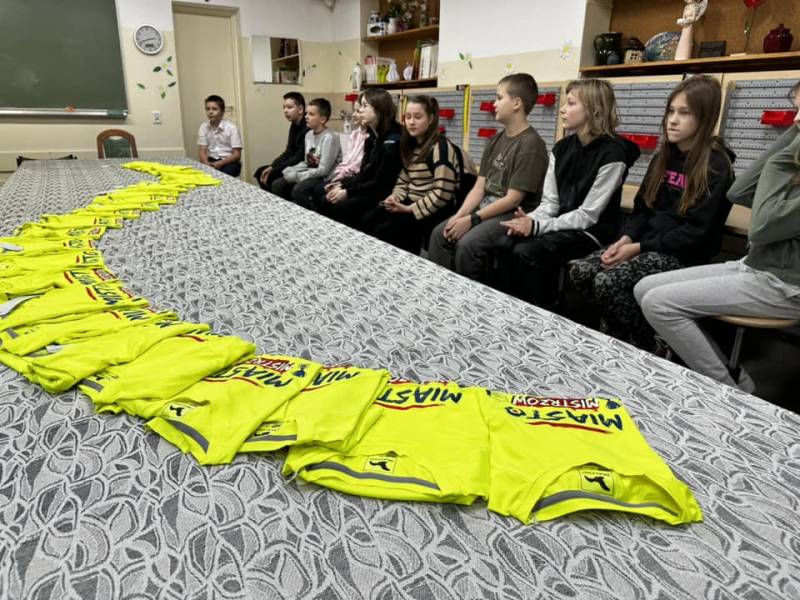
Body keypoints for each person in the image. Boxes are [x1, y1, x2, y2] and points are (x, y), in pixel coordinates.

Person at [635, 81, 800, 393]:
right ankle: (729, 376)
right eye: (796, 112)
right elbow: (740, 191)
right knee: (644, 288)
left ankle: (730, 391)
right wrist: (792, 134)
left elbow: (761, 227)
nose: (796, 120)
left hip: (787, 285)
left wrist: (787, 153)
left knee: (659, 304)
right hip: (758, 266)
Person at [569, 76, 734, 350]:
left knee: (607, 282)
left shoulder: (717, 166)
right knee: (582, 271)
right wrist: (625, 239)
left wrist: (637, 248)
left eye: (684, 113)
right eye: (671, 111)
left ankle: (653, 345)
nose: (673, 120)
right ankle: (620, 335)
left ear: (704, 118)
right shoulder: (663, 157)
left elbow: (696, 233)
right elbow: (642, 209)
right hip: (643, 244)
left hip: (681, 255)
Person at [491, 79, 640, 308]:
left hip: (590, 232)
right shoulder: (562, 148)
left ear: (594, 110)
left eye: (570, 103)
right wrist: (528, 220)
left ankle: (547, 311)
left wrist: (537, 227)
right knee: (503, 244)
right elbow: (550, 203)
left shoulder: (613, 154)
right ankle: (513, 308)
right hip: (560, 224)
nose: (562, 109)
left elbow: (587, 215)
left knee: (528, 252)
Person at [427, 73, 548, 283]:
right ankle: (442, 291)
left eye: (499, 98)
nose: (494, 104)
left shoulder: (531, 144)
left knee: (468, 245)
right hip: (486, 208)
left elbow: (513, 200)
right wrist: (459, 216)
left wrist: (472, 219)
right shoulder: (494, 140)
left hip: (511, 214)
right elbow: (479, 187)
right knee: (440, 233)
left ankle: (469, 299)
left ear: (517, 103)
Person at [363, 95, 462, 254]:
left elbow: (443, 192)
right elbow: (404, 180)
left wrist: (410, 209)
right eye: (408, 117)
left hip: (433, 209)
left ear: (431, 119)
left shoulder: (441, 147)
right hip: (410, 204)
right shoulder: (411, 145)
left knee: (385, 231)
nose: (411, 122)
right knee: (368, 219)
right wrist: (395, 197)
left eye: (418, 117)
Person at [323, 89, 403, 230]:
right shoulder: (373, 136)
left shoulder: (392, 140)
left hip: (386, 192)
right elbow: (365, 172)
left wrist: (347, 192)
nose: (360, 110)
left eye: (365, 105)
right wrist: (343, 185)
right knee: (328, 196)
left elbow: (380, 183)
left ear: (379, 109)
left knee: (341, 207)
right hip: (373, 187)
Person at [305, 95, 371, 212]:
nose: (354, 114)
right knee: (318, 191)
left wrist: (338, 178)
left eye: (358, 111)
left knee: (313, 191)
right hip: (341, 175)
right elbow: (346, 160)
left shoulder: (330, 137)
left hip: (350, 177)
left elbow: (357, 165)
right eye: (354, 111)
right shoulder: (355, 134)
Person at [271, 98, 341, 204]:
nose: (306, 117)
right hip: (312, 172)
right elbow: (308, 162)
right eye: (306, 113)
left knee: (299, 189)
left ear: (322, 119)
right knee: (278, 184)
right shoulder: (308, 135)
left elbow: (323, 170)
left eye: (311, 114)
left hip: (325, 178)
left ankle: (312, 212)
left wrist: (298, 176)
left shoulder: (329, 138)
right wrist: (291, 169)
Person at [253, 92, 308, 191]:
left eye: (289, 107)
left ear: (300, 109)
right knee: (260, 171)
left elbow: (299, 157)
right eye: (284, 107)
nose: (285, 111)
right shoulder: (294, 125)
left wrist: (276, 169)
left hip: (301, 166)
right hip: (292, 163)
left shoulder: (307, 127)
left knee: (272, 176)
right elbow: (289, 151)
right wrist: (273, 165)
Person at [198, 94, 243, 177]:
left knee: (221, 176)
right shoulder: (203, 127)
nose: (210, 112)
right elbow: (202, 151)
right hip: (211, 160)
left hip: (229, 161)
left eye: (214, 109)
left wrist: (219, 163)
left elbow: (237, 155)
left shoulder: (231, 128)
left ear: (222, 112)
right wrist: (206, 165)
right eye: (208, 109)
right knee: (199, 175)